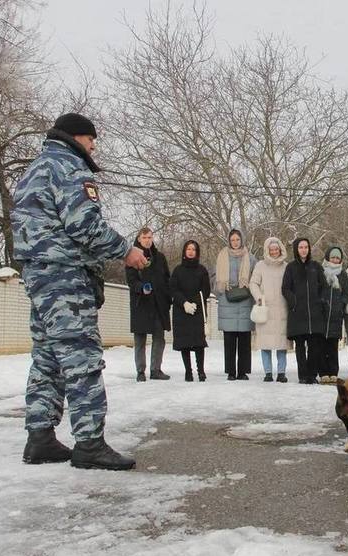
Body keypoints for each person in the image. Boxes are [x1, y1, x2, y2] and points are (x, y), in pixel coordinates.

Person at [12, 113, 147, 470]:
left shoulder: (33, 170)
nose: (93, 147)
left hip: (37, 274)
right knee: (81, 357)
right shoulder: (70, 169)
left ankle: (40, 437)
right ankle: (89, 443)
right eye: (91, 140)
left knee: (47, 356)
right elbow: (84, 225)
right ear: (77, 137)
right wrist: (126, 251)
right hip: (65, 276)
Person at [125, 227, 172, 382]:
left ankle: (156, 369)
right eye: (144, 237)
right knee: (140, 340)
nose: (148, 240)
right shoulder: (132, 257)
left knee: (159, 338)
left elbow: (167, 279)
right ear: (139, 238)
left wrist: (167, 298)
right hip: (141, 303)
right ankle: (140, 371)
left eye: (150, 237)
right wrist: (141, 288)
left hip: (158, 304)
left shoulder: (160, 257)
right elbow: (131, 281)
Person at [282, 238, 326, 384]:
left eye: (306, 247)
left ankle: (312, 375)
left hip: (314, 313)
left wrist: (320, 301)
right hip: (298, 313)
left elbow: (324, 286)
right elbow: (285, 288)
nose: (303, 250)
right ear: (296, 249)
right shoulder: (291, 267)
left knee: (314, 346)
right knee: (300, 347)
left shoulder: (316, 266)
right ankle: (303, 375)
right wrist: (293, 301)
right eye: (301, 247)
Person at [216, 229, 256, 381]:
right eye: (232, 240)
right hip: (227, 298)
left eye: (237, 240)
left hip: (245, 298)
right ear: (229, 241)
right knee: (230, 339)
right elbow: (216, 277)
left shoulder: (250, 258)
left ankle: (243, 371)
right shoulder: (222, 256)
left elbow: (255, 276)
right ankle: (231, 371)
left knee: (245, 339)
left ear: (241, 240)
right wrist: (225, 285)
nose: (235, 242)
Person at [249, 237, 291, 383]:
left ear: (280, 250)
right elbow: (253, 283)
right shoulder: (260, 266)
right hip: (265, 308)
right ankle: (268, 372)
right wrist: (259, 297)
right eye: (271, 249)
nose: (274, 252)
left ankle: (281, 372)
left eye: (276, 249)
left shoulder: (286, 266)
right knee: (265, 343)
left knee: (281, 343)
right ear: (267, 250)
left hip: (282, 308)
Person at [170, 240, 210, 381]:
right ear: (184, 251)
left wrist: (195, 303)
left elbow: (205, 290)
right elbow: (173, 289)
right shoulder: (178, 270)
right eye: (188, 249)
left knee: (199, 342)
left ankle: (201, 371)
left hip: (198, 310)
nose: (191, 251)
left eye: (193, 249)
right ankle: (188, 371)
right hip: (181, 310)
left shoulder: (202, 270)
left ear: (197, 252)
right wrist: (184, 303)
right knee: (184, 342)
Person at [320, 246, 348, 384]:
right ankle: (323, 372)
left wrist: (341, 304)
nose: (335, 259)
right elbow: (317, 289)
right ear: (328, 257)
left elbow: (346, 293)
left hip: (336, 315)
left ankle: (333, 372)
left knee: (333, 346)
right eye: (332, 257)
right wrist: (321, 302)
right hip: (322, 314)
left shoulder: (342, 274)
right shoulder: (321, 272)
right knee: (322, 345)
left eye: (337, 257)